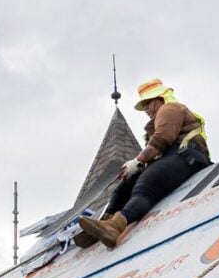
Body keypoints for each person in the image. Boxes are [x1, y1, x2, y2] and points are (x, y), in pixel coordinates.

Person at [78, 79, 210, 248]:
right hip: (171, 156)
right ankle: (104, 223)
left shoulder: (170, 109)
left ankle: (114, 226)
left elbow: (162, 139)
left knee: (146, 184)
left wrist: (138, 161)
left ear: (160, 98)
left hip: (187, 156)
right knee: (125, 186)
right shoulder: (156, 121)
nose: (146, 108)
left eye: (148, 103)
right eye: (144, 105)